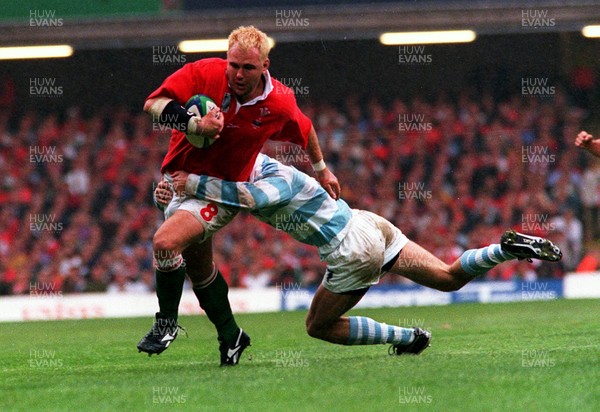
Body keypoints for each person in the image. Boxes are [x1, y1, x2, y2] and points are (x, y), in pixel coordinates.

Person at [156, 153, 562, 355]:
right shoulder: (244, 169)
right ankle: (504, 249)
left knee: (318, 325)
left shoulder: (271, 175)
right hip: (369, 225)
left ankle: (409, 336)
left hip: (352, 249)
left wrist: (188, 184)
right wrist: (171, 197)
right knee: (448, 278)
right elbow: (207, 208)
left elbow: (245, 197)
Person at [137, 26, 340, 366]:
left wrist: (322, 169)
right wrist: (192, 124)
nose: (238, 74)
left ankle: (166, 324)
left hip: (219, 191)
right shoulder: (205, 73)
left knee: (165, 243)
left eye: (248, 67)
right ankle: (232, 336)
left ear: (265, 65)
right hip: (180, 182)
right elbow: (153, 104)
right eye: (233, 65)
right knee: (200, 272)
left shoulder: (278, 102)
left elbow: (305, 129)